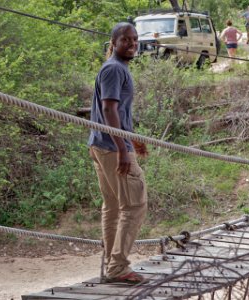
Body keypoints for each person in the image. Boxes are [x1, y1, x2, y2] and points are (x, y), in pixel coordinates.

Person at [88, 22, 149, 285]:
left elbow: (119, 112)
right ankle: (118, 267)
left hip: (102, 145)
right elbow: (109, 110)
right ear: (114, 42)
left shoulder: (116, 68)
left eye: (135, 39)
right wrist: (124, 149)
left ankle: (111, 267)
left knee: (113, 206)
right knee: (134, 204)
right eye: (126, 40)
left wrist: (133, 140)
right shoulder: (114, 68)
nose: (132, 44)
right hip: (113, 148)